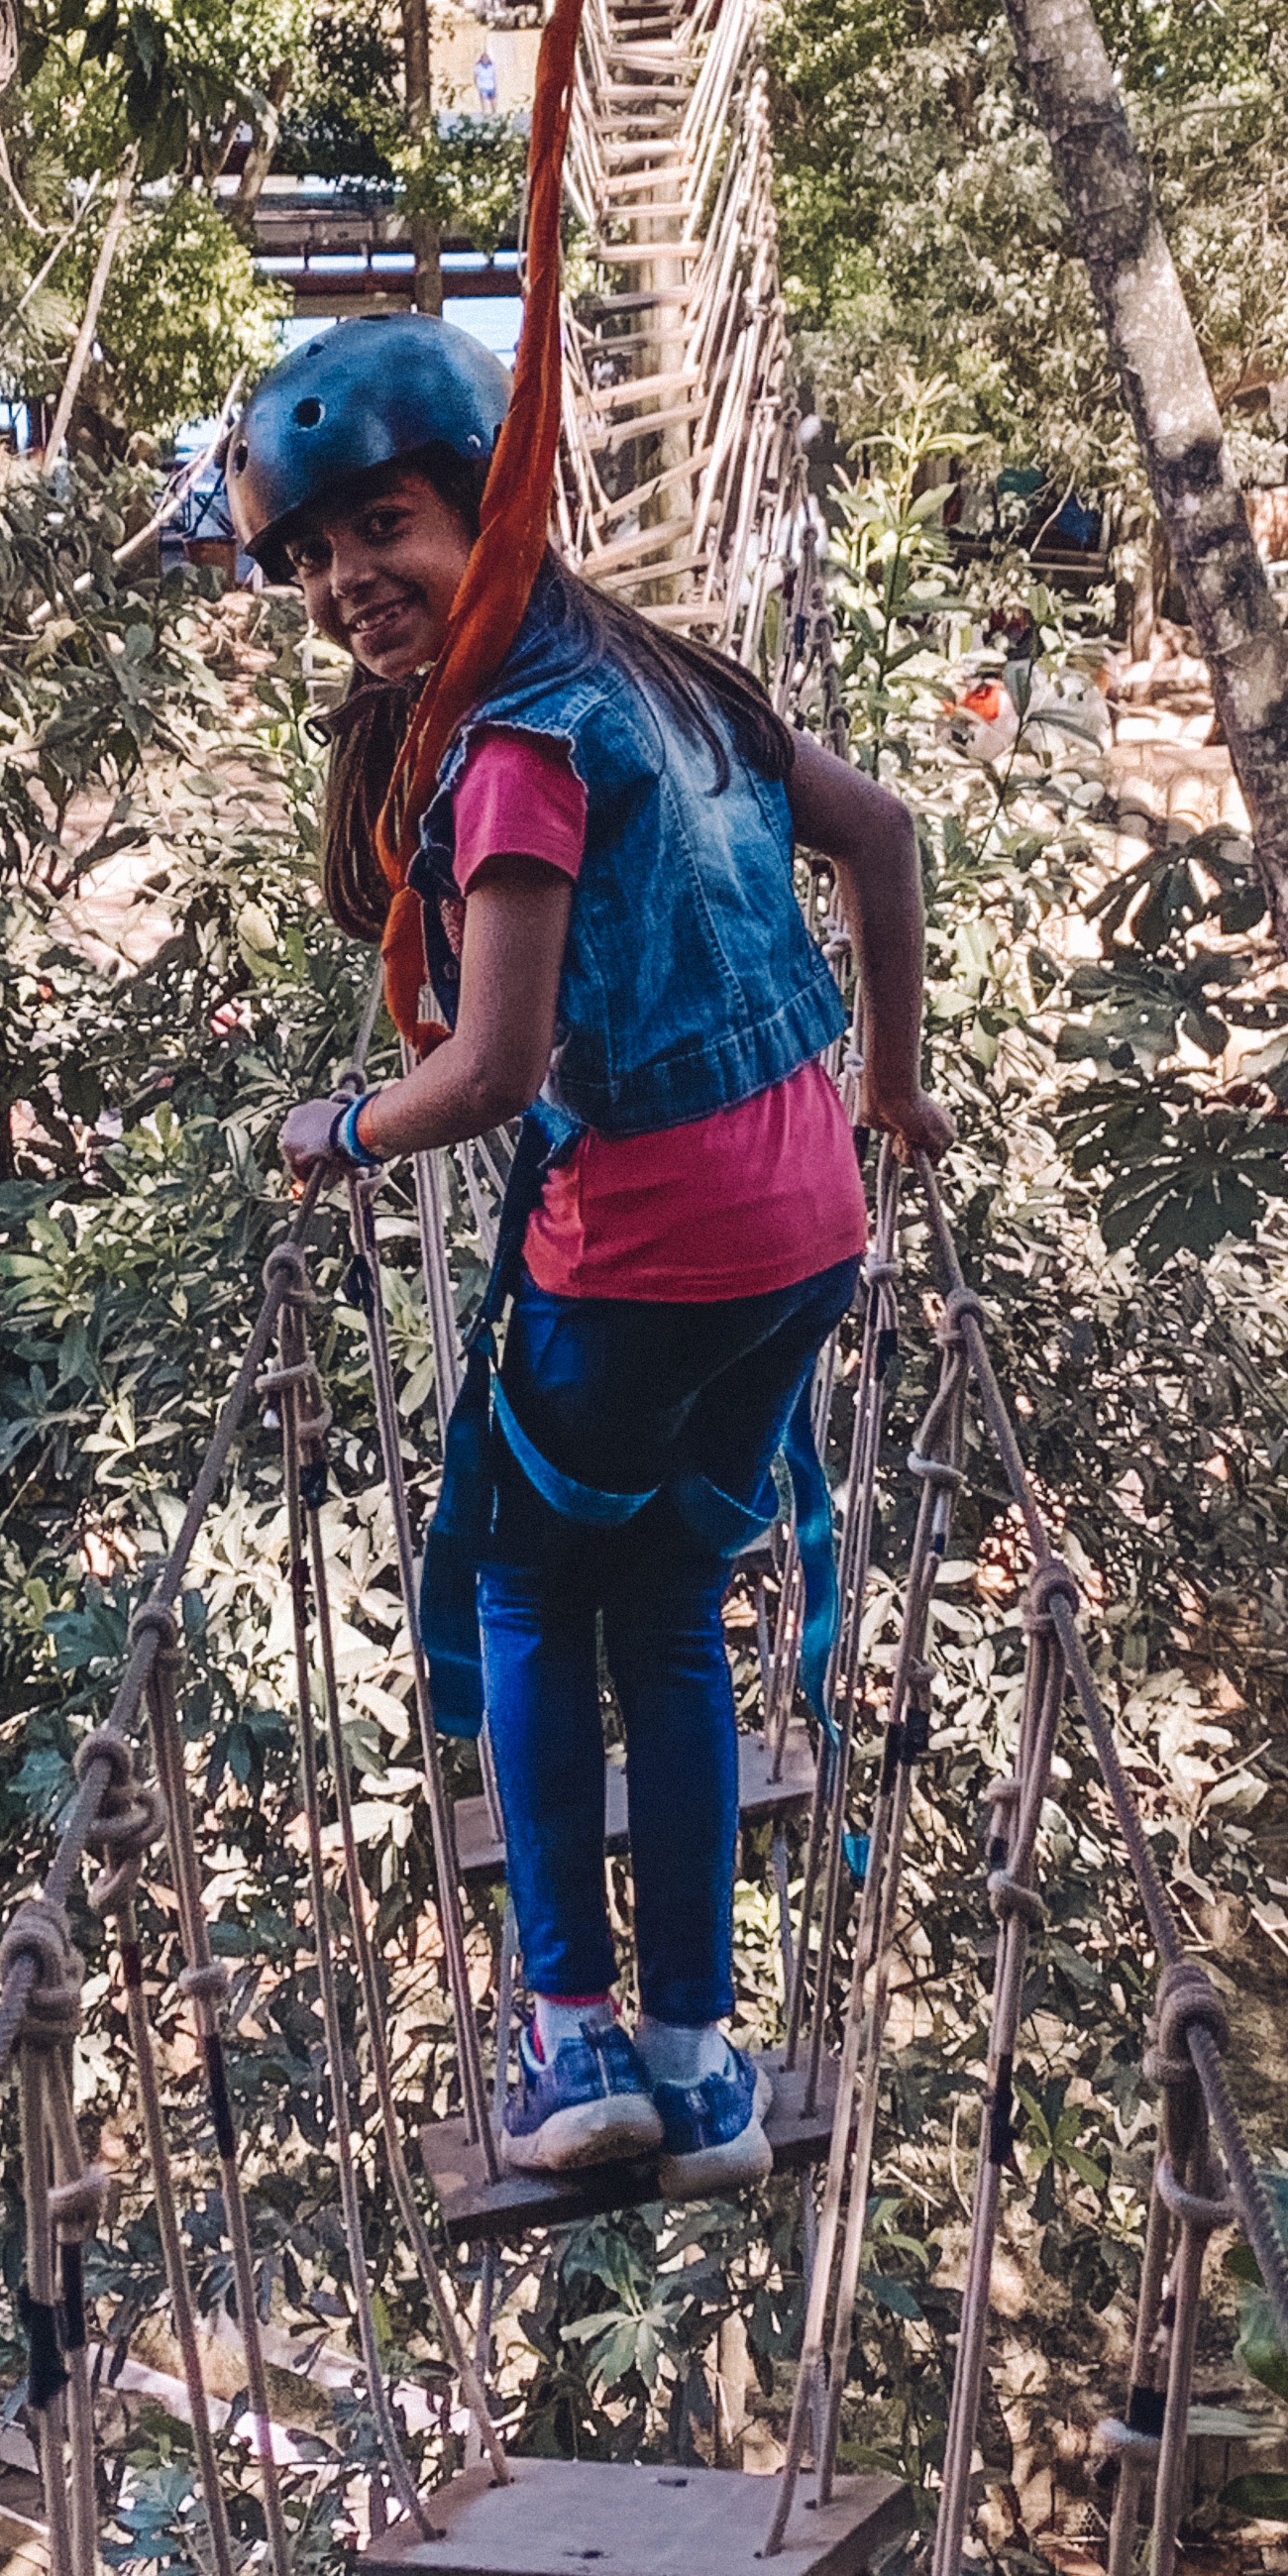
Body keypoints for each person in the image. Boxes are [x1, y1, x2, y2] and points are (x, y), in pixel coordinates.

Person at [230, 318, 950, 2200]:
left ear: (486, 491)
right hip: (808, 1226)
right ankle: (703, 2069)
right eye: (307, 558)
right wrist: (894, 1086)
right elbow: (880, 829)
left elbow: (491, 1073)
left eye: (376, 524)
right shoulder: (669, 678)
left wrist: (333, 1132)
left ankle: (572, 2040)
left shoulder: (513, 743)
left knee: (525, 1589)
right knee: (675, 1610)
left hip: (646, 1246)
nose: (342, 583)